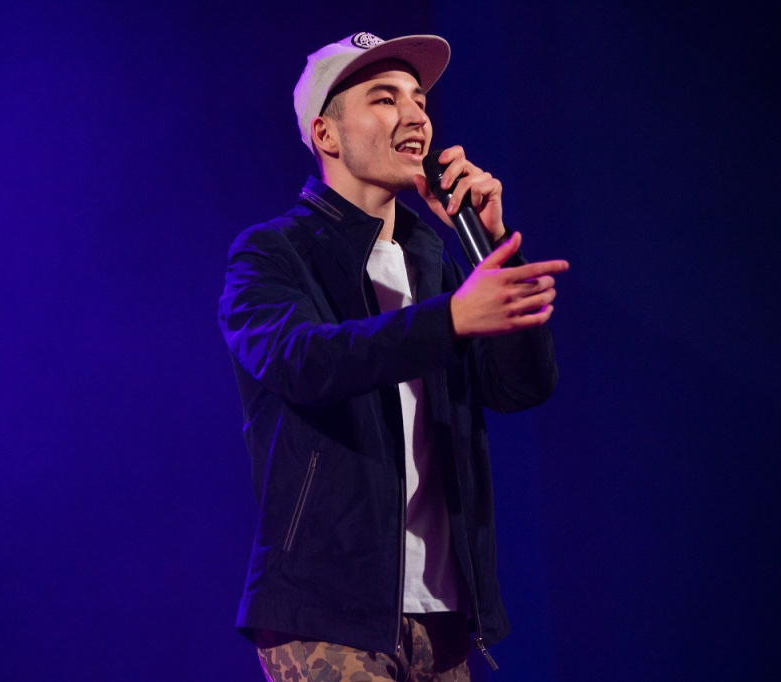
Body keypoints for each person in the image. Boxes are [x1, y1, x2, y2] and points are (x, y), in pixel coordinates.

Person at [219, 32, 568, 681]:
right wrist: (450, 318)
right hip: (327, 612)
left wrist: (492, 244)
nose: (415, 117)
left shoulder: (433, 259)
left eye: (419, 101)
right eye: (385, 99)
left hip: (445, 614)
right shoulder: (272, 253)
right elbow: (303, 361)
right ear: (326, 134)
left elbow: (521, 387)